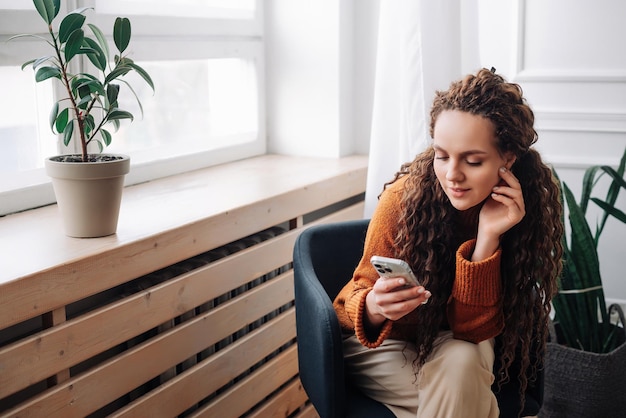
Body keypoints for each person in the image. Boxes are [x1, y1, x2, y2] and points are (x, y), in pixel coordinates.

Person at [333, 68, 564, 418]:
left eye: (473, 161)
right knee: (469, 391)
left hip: (457, 345)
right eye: (442, 155)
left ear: (508, 159)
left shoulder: (520, 213)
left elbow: (472, 332)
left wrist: (487, 238)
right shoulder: (402, 200)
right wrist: (376, 307)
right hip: (383, 347)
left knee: (463, 363)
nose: (453, 174)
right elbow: (344, 310)